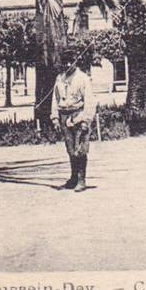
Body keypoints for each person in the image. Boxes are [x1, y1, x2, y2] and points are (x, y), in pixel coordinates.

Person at [50, 50, 96, 192]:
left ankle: (82, 180)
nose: (68, 65)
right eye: (65, 62)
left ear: (75, 62)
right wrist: (55, 118)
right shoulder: (60, 78)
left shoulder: (83, 78)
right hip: (64, 115)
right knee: (70, 149)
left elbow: (89, 101)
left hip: (79, 115)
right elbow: (55, 99)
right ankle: (73, 178)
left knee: (80, 149)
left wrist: (86, 120)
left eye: (70, 61)